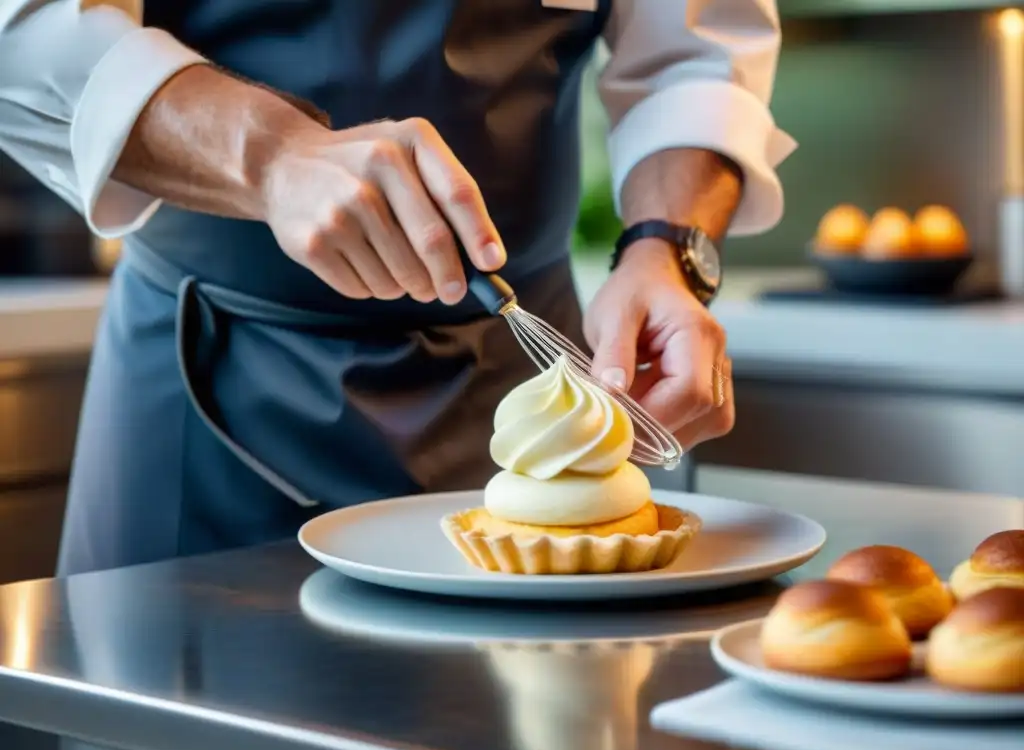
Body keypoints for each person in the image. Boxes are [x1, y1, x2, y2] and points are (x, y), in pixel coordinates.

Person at [0, 0, 795, 576]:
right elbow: (26, 32)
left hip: (528, 379)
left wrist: (666, 247)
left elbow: (697, 50)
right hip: (205, 389)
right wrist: (272, 156)